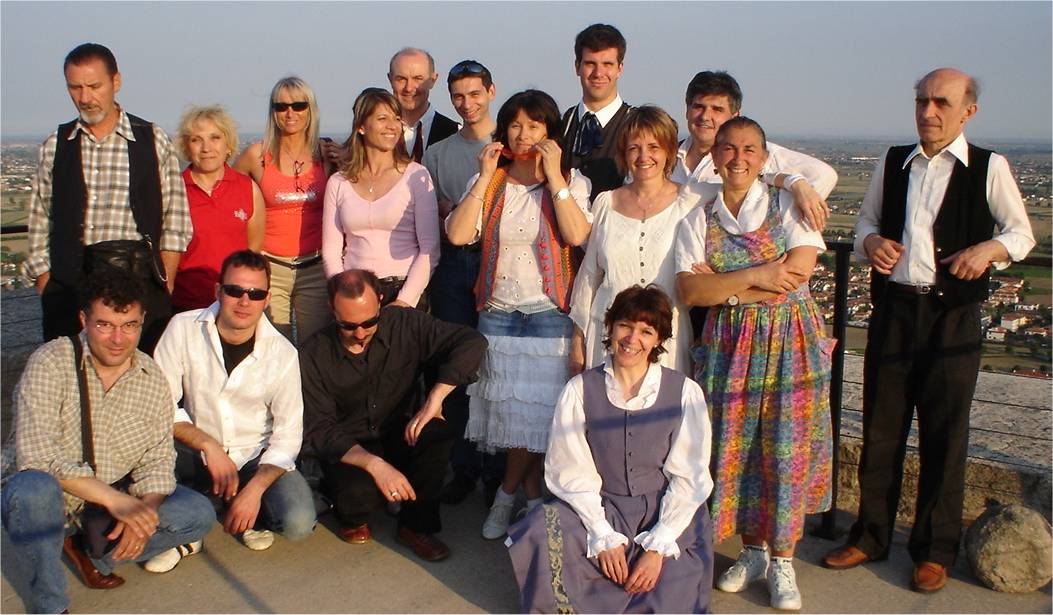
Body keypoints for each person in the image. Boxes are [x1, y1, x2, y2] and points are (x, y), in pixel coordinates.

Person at [822, 68, 1035, 593]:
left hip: (952, 318)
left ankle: (934, 551)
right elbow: (866, 223)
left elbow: (1021, 234)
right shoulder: (893, 161)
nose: (928, 112)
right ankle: (870, 535)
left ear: (968, 111)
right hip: (894, 311)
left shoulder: (989, 166)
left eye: (941, 102)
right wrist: (871, 244)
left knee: (945, 434)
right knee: (881, 427)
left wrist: (988, 250)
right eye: (922, 101)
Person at [675, 117, 835, 611]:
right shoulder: (699, 218)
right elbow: (691, 291)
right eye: (728, 148)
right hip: (731, 348)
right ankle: (753, 550)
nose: (738, 158)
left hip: (791, 342)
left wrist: (728, 287)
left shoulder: (786, 204)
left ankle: (784, 559)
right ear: (714, 156)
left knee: (786, 446)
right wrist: (761, 274)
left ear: (764, 159)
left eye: (749, 149)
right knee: (737, 446)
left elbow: (798, 271)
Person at [0, 269, 214, 614]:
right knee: (31, 492)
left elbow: (158, 461)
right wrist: (117, 502)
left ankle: (92, 550)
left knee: (197, 514)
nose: (118, 339)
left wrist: (143, 514)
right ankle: (50, 602)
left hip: (108, 496)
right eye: (104, 325)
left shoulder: (151, 378)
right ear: (83, 320)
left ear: (142, 322)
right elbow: (36, 457)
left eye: (129, 325)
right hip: (55, 491)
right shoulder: (51, 361)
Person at [507, 285, 714, 613]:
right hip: (600, 506)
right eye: (625, 326)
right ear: (610, 327)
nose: (632, 339)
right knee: (541, 530)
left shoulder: (685, 392)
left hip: (662, 512)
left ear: (659, 340)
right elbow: (570, 471)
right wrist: (601, 535)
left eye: (646, 331)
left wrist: (657, 547)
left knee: (665, 594)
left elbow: (690, 476)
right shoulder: (579, 390)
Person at [446, 89, 592, 541]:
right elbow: (458, 235)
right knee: (512, 420)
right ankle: (531, 501)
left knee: (541, 419)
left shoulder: (572, 181)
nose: (523, 134)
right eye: (515, 125)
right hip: (498, 313)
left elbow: (577, 234)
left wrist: (555, 177)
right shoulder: (492, 183)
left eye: (534, 125)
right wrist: (483, 177)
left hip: (549, 314)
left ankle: (505, 496)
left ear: (550, 132)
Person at [299, 269, 486, 562]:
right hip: (350, 446)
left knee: (436, 431)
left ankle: (416, 527)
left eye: (369, 322)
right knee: (358, 500)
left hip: (398, 430)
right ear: (331, 310)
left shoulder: (404, 323)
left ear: (380, 301)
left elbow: (471, 341)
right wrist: (375, 466)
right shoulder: (313, 353)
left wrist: (435, 398)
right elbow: (321, 429)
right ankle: (350, 508)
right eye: (347, 325)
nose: (360, 333)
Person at [24, 42, 192, 353]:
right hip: (71, 290)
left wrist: (164, 282)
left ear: (116, 81)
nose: (85, 98)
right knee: (71, 376)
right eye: (75, 87)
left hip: (140, 283)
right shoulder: (55, 146)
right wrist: (47, 285)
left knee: (142, 372)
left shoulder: (152, 140)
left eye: (94, 86)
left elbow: (176, 219)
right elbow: (39, 221)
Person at [153, 250, 316, 553]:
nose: (244, 301)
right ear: (218, 291)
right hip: (195, 450)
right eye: (234, 290)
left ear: (267, 299)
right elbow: (161, 405)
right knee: (151, 468)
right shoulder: (182, 328)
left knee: (298, 522)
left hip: (253, 456)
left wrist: (255, 490)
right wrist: (209, 445)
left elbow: (288, 436)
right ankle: (192, 523)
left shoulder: (283, 353)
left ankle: (238, 506)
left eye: (255, 294)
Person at [421, 60, 505, 506]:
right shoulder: (438, 153)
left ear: (491, 91)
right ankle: (463, 465)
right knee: (456, 366)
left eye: (475, 93)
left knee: (496, 367)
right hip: (454, 264)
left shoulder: (508, 144)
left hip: (500, 260)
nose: (467, 103)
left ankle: (497, 471)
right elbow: (434, 209)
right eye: (458, 96)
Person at [569, 105, 701, 376]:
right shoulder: (606, 202)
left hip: (667, 336)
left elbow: (747, 177)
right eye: (634, 148)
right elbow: (589, 277)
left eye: (653, 147)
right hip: (607, 336)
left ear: (669, 151)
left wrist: (788, 181)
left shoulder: (692, 200)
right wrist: (577, 340)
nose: (643, 156)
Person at [233, 76, 339, 344]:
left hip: (315, 267)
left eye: (298, 105)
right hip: (270, 267)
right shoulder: (256, 156)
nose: (290, 113)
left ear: (310, 109)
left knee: (314, 345)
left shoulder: (326, 153)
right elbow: (229, 195)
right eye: (281, 107)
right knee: (271, 346)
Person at [673, 71, 836, 233]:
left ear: (735, 116)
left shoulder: (756, 153)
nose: (705, 116)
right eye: (698, 107)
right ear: (687, 110)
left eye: (717, 109)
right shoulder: (666, 156)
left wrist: (795, 186)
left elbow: (823, 174)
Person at [322, 88, 439, 308]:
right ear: (361, 126)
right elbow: (331, 251)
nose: (392, 126)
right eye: (382, 118)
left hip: (404, 289)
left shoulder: (416, 176)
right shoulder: (338, 182)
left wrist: (403, 302)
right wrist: (342, 292)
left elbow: (429, 249)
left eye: (397, 119)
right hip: (354, 291)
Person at [172, 106, 265, 312]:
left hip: (235, 305)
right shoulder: (173, 190)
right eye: (196, 140)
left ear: (228, 144)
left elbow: (253, 252)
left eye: (215, 138)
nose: (206, 148)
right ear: (186, 147)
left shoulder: (248, 189)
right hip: (185, 305)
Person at [560, 24, 633, 199]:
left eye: (607, 64)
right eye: (590, 64)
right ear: (577, 66)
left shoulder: (638, 125)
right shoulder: (561, 125)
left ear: (620, 68)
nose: (598, 73)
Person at [387, 47, 459, 163]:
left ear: (433, 80)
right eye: (401, 79)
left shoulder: (455, 133)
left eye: (418, 79)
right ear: (390, 80)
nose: (409, 88)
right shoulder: (376, 133)